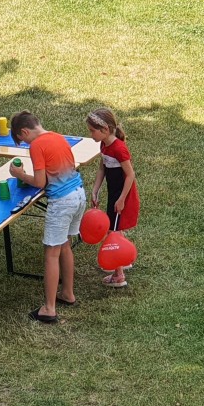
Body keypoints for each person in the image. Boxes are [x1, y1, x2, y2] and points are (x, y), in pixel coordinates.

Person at [9, 111, 86, 323]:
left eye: (22, 140)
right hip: (79, 194)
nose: (25, 144)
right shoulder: (58, 137)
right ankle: (67, 293)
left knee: (51, 253)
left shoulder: (36, 146)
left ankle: (49, 309)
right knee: (65, 246)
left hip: (62, 202)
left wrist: (20, 175)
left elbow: (40, 182)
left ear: (24, 131)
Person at [86, 107, 139, 287]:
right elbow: (102, 168)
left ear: (105, 130)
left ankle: (118, 276)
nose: (91, 134)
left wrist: (122, 199)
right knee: (116, 227)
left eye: (93, 131)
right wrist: (95, 189)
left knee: (112, 232)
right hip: (113, 193)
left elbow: (130, 175)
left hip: (120, 195)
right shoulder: (104, 145)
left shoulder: (119, 149)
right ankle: (124, 259)